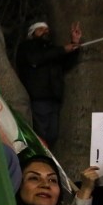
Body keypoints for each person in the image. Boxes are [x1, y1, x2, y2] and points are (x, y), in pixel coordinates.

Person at [16, 21, 82, 149]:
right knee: (41, 135)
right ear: (32, 33)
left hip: (54, 98)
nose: (45, 31)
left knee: (52, 135)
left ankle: (46, 156)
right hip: (38, 97)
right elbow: (35, 59)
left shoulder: (52, 50)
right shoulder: (27, 47)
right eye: (40, 29)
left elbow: (66, 64)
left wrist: (74, 43)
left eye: (46, 29)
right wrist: (62, 50)